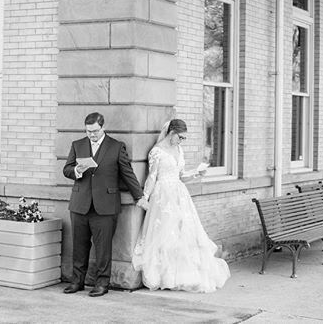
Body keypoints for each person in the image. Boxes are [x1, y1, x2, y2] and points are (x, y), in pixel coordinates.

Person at [132, 119, 230, 293]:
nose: (182, 141)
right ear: (172, 133)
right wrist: (144, 197)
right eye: (181, 137)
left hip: (180, 195)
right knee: (166, 234)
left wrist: (196, 173)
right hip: (163, 197)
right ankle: (165, 275)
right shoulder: (157, 152)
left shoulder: (179, 149)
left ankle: (182, 274)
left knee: (184, 232)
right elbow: (152, 177)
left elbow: (181, 175)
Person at [62, 112, 144, 297]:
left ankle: (101, 283)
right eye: (88, 131)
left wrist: (139, 196)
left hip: (105, 206)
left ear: (103, 127)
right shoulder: (77, 145)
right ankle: (77, 281)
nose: (92, 134)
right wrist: (76, 170)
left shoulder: (116, 147)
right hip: (79, 204)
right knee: (79, 246)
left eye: (95, 131)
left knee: (103, 248)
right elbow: (66, 169)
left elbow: (127, 173)